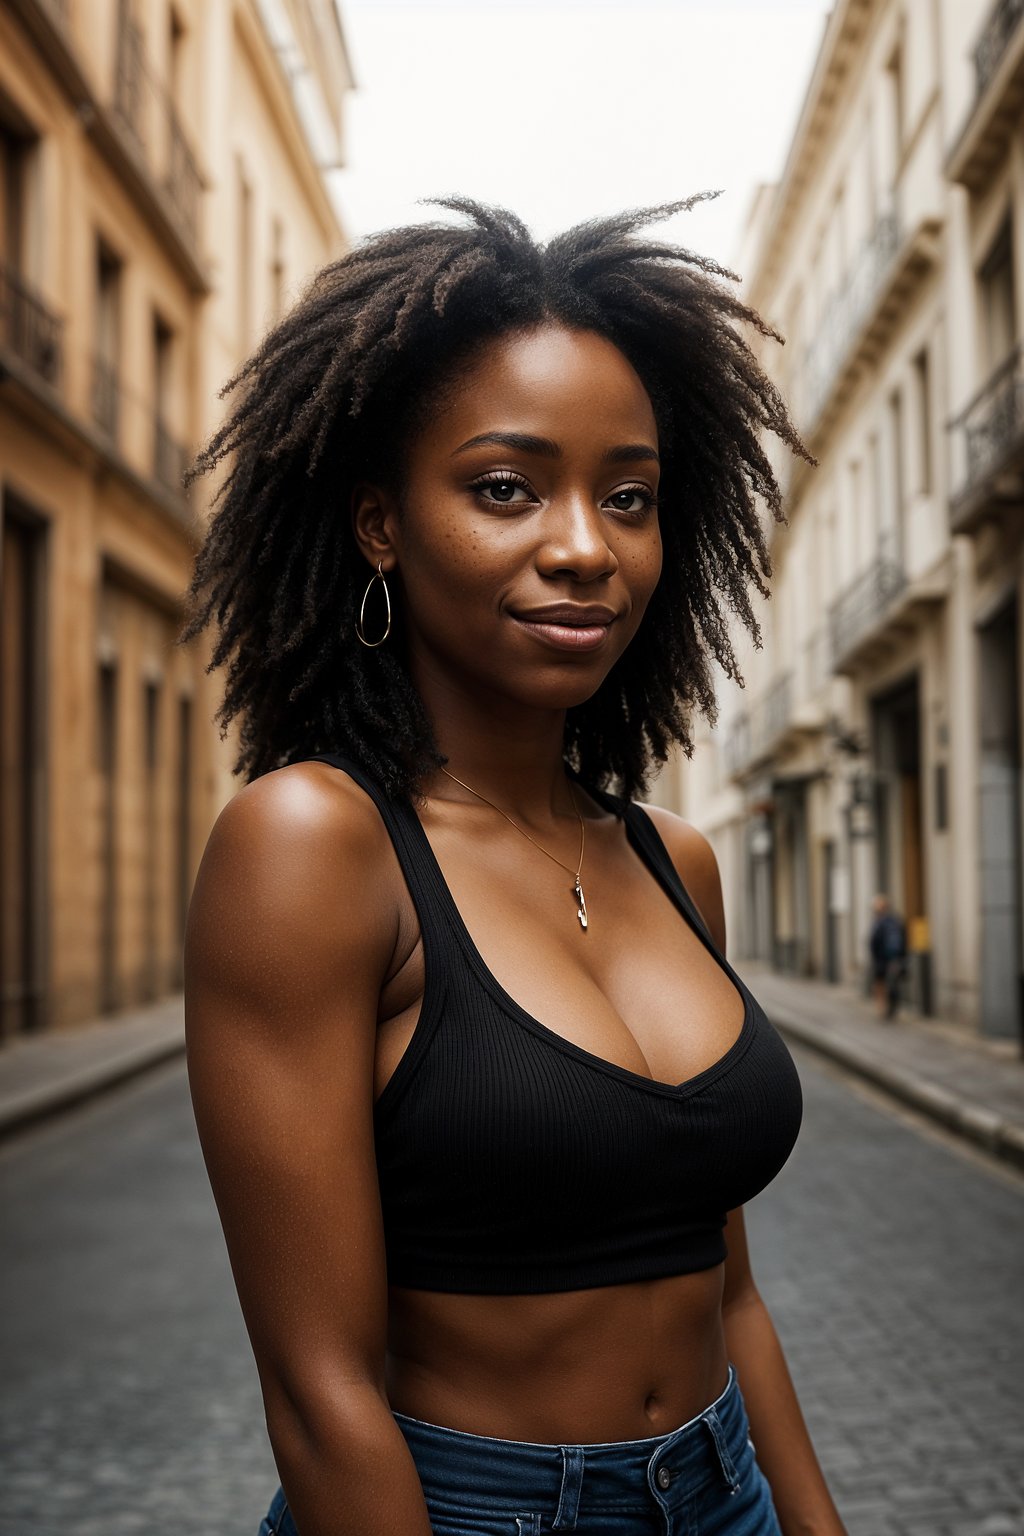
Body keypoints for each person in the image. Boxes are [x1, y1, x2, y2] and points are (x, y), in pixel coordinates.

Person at [180, 196, 848, 1536]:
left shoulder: (676, 862)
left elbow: (730, 1295)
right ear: (381, 524)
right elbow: (321, 1389)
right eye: (505, 487)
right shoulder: (315, 846)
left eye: (630, 498)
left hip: (726, 1495)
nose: (584, 547)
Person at [868, 894, 907, 1021]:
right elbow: (903, 938)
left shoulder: (880, 922)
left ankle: (883, 1008)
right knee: (891, 982)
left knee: (880, 983)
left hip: (881, 959)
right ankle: (890, 1008)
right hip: (894, 958)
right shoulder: (895, 921)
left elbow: (874, 941)